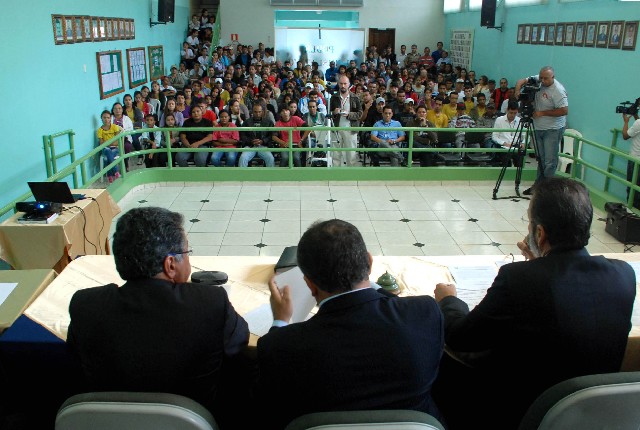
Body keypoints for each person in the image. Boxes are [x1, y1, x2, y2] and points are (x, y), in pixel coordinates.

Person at [432, 177, 636, 430]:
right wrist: (538, 264)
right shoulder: (624, 274)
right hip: (588, 413)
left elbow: (462, 337)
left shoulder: (517, 278)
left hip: (524, 411)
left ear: (539, 233)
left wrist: (449, 299)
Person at [67, 207, 250, 427]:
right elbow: (240, 343)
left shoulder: (85, 305)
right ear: (170, 265)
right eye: (186, 253)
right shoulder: (211, 302)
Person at [254, 219, 444, 430]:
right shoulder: (425, 313)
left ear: (309, 284)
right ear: (370, 263)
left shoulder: (280, 346)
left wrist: (280, 321)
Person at [515, 66, 569, 195]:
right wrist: (518, 90)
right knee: (541, 159)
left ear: (553, 77)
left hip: (552, 129)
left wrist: (542, 113)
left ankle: (546, 190)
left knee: (550, 161)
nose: (542, 81)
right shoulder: (538, 80)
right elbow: (520, 81)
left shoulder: (558, 90)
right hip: (538, 127)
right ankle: (538, 186)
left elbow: (564, 110)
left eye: (546, 79)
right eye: (541, 78)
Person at [329, 75, 363, 167]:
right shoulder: (334, 97)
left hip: (350, 129)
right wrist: (334, 112)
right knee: (335, 154)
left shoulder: (355, 97)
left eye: (345, 83)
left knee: (351, 154)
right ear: (338, 84)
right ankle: (336, 173)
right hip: (336, 129)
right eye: (341, 83)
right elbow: (329, 114)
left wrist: (349, 114)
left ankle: (350, 174)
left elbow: (360, 114)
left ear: (349, 84)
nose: (343, 86)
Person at [622, 98, 640, 208]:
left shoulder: (638, 123)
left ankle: (631, 211)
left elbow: (625, 135)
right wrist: (635, 116)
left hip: (635, 160)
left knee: (632, 187)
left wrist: (626, 122)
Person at [97, 110, 123, 183]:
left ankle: (109, 175)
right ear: (101, 118)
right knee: (108, 151)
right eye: (104, 117)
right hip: (106, 148)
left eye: (108, 117)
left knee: (106, 158)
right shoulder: (100, 130)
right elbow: (101, 143)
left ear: (110, 118)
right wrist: (111, 143)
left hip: (115, 148)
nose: (106, 119)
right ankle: (116, 172)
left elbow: (118, 141)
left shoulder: (114, 127)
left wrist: (107, 143)